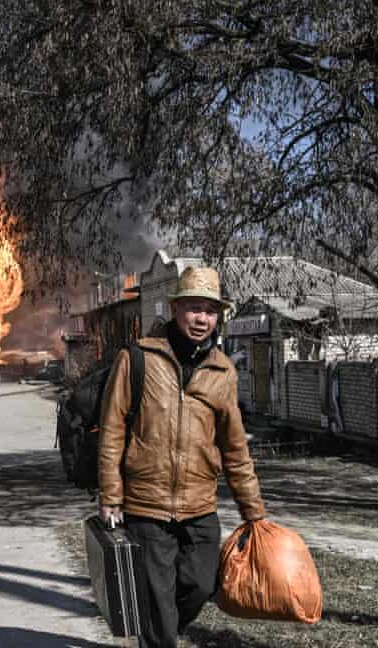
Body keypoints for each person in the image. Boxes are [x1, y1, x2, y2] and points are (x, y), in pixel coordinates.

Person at [97, 266, 265, 648]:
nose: (201, 319)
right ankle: (158, 635)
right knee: (159, 606)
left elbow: (235, 448)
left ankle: (158, 629)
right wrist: (111, 496)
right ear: (175, 309)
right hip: (147, 505)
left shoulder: (222, 371)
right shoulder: (138, 358)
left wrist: (254, 512)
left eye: (209, 310)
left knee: (200, 584)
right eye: (193, 308)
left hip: (200, 506)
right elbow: (112, 432)